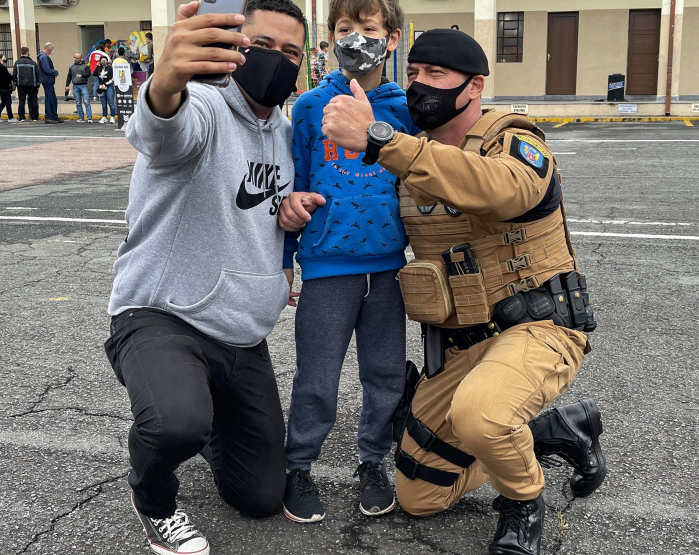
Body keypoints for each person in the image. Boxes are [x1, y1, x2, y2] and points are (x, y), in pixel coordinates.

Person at [279, 29, 607, 555]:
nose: (418, 86)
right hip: (463, 345)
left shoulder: (511, 136)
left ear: (475, 86)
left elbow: (504, 189)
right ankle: (552, 432)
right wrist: (296, 211)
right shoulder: (414, 157)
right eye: (412, 73)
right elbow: (354, 203)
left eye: (435, 75)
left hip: (536, 326)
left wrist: (385, 140)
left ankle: (523, 501)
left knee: (482, 414)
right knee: (419, 494)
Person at [103, 0, 307, 553]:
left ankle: (203, 412)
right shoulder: (206, 106)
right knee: (174, 424)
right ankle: (154, 500)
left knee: (262, 496)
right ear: (236, 47)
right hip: (162, 316)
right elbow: (162, 129)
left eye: (290, 52)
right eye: (261, 46)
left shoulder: (289, 134)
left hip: (241, 335)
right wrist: (164, 78)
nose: (276, 61)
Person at [279, 0, 415, 524]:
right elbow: (294, 188)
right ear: (329, 37)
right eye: (344, 28)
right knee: (317, 375)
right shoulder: (311, 106)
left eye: (369, 29)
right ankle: (299, 465)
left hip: (387, 267)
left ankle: (372, 461)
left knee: (383, 374)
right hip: (327, 265)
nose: (356, 38)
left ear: (393, 38)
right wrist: (287, 261)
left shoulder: (405, 109)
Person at [13, 47, 40, 122]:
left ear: (21, 53)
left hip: (21, 85)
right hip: (32, 85)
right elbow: (37, 74)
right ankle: (34, 117)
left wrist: (15, 83)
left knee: (21, 101)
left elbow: (14, 74)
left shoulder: (17, 63)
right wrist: (37, 84)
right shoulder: (33, 63)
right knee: (33, 101)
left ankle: (22, 117)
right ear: (27, 52)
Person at [37, 42, 62, 123]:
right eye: (52, 48)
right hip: (47, 81)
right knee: (49, 98)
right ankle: (49, 116)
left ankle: (53, 115)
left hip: (48, 81)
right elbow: (47, 69)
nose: (53, 50)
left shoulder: (43, 57)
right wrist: (55, 72)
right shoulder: (44, 57)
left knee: (53, 99)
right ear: (49, 48)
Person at [65, 52, 93, 123]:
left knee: (86, 101)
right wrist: (67, 85)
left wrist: (82, 75)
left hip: (83, 85)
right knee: (78, 102)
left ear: (81, 58)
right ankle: (81, 117)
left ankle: (89, 117)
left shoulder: (85, 66)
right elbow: (69, 76)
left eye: (77, 58)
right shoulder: (71, 67)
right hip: (75, 85)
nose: (75, 59)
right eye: (74, 57)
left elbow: (88, 74)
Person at [94, 56, 116, 123]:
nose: (103, 61)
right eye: (102, 60)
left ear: (107, 61)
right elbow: (94, 74)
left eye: (104, 60)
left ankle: (112, 116)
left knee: (111, 102)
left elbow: (113, 78)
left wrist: (105, 84)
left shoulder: (110, 68)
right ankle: (104, 116)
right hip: (101, 87)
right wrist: (97, 66)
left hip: (109, 87)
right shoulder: (99, 69)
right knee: (103, 103)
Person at [0, 53, 14, 122]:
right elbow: (7, 77)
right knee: (8, 102)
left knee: (4, 102)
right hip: (4, 87)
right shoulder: (2, 67)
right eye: (4, 57)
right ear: (0, 59)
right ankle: (10, 117)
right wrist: (13, 76)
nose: (5, 59)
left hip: (0, 87)